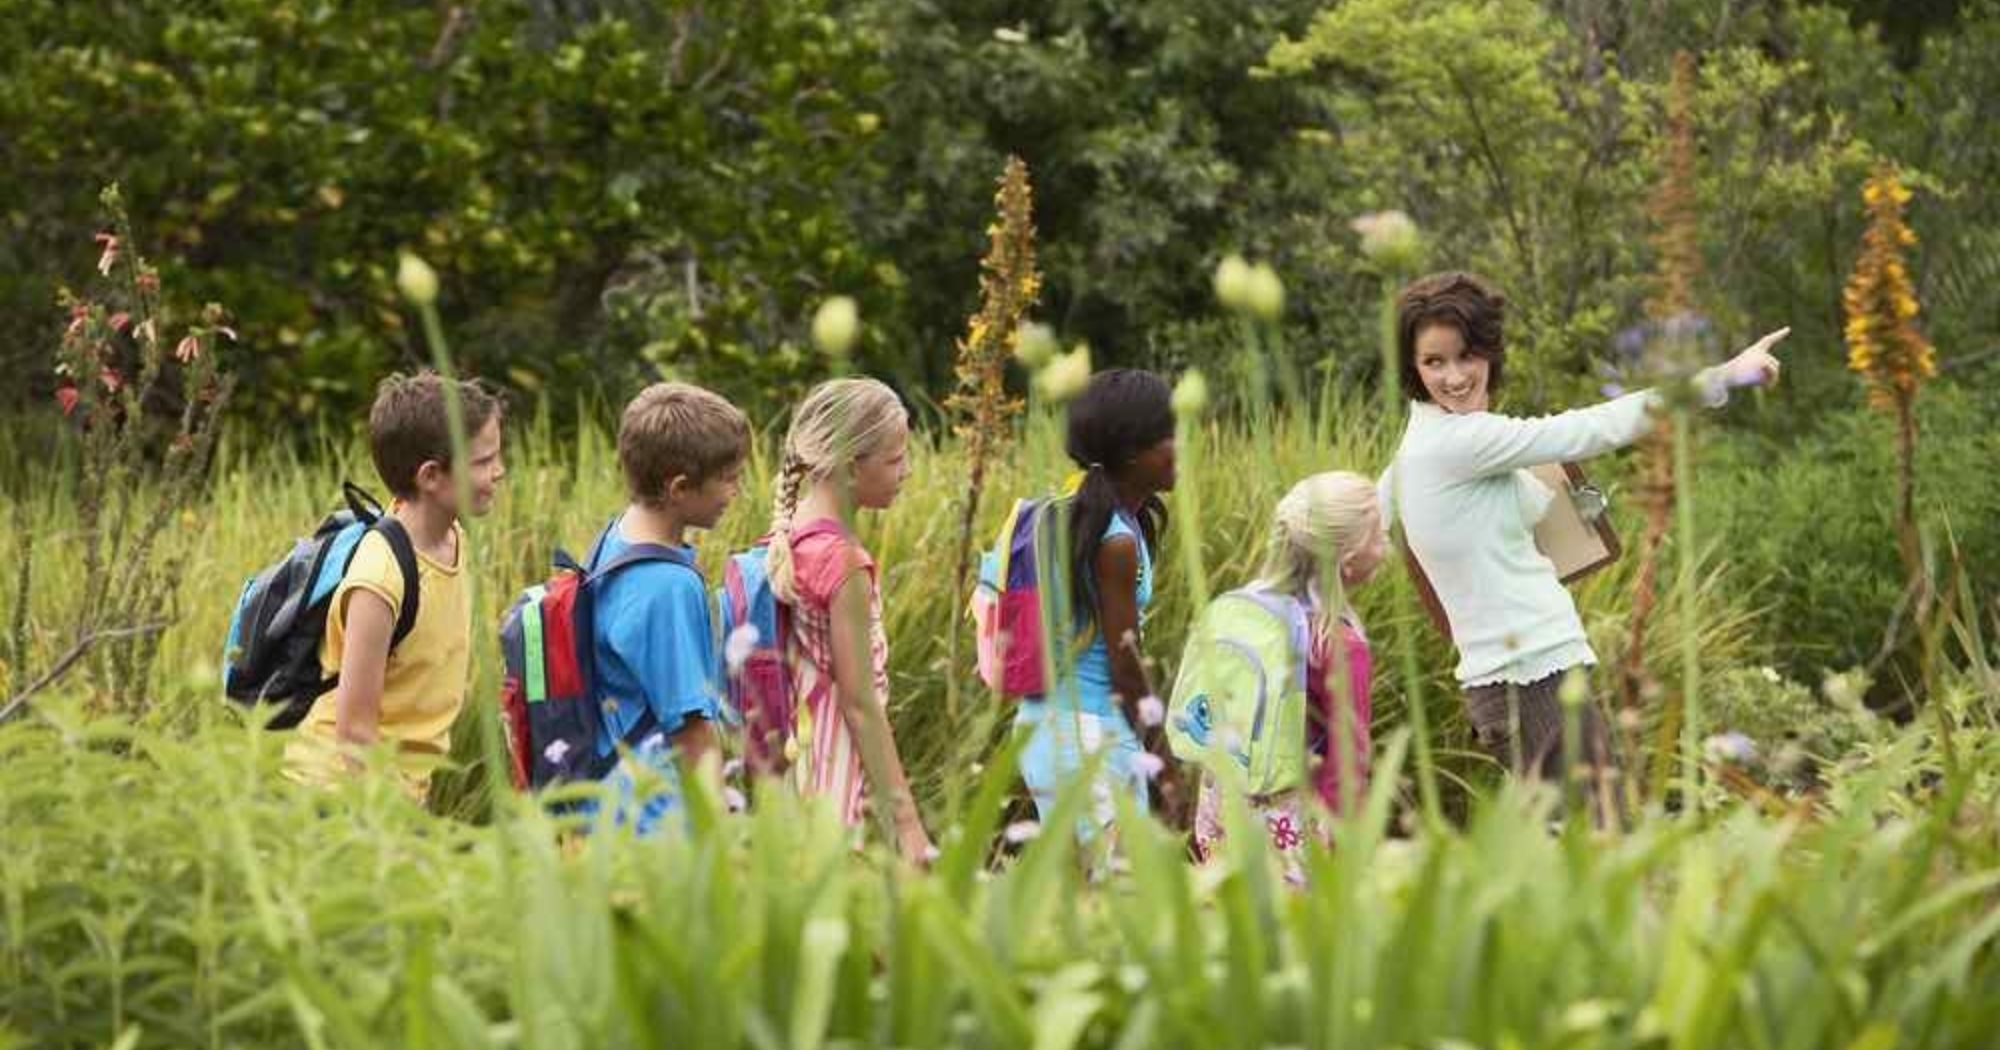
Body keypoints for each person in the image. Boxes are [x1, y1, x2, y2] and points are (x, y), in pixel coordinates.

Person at [1381, 271, 1785, 817]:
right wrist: (1726, 376)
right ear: (1413, 368)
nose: (1454, 377)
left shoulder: (1427, 441)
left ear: (1489, 351)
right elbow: (1593, 427)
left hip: (1532, 677)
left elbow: (1372, 512)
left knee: (1585, 858)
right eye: (1434, 362)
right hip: (1531, 682)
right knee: (1602, 848)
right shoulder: (1456, 441)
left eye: (1465, 355)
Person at [284, 371, 506, 800]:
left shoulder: (450, 536)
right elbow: (355, 733)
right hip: (338, 793)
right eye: (482, 462)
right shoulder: (379, 581)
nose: (498, 472)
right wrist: (396, 828)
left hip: (398, 787)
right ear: (429, 476)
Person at [765, 377, 933, 862]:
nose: (906, 471)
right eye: (896, 459)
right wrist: (908, 826)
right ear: (850, 466)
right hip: (834, 782)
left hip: (788, 771)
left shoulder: (785, 544)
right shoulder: (843, 564)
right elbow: (861, 706)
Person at [1016, 369, 1185, 843]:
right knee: (1116, 899)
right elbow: (1125, 667)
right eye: (1170, 436)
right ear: (1132, 452)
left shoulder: (1073, 513)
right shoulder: (1114, 540)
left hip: (1045, 727)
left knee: (1086, 901)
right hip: (1086, 734)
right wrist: (1165, 767)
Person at [1188, 471, 1386, 867]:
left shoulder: (1243, 613)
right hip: (1291, 830)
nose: (1387, 545)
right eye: (1379, 535)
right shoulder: (1339, 646)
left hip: (1222, 809)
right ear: (1347, 562)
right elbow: (1346, 766)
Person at [585, 382, 750, 834]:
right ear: (679, 488)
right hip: (658, 819)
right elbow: (692, 731)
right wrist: (722, 842)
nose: (735, 491)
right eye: (729, 478)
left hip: (609, 801)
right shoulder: (668, 586)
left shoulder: (615, 539)